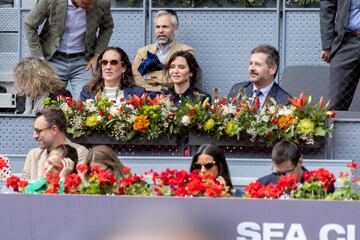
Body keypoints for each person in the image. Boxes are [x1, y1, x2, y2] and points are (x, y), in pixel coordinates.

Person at [24, 0, 114, 100]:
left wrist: (97, 55)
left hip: (83, 62)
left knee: (86, 103)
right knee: (47, 104)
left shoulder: (101, 3)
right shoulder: (50, 1)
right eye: (84, 3)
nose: (90, 6)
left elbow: (107, 27)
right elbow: (29, 24)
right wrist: (39, 59)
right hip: (53, 60)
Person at [132, 9, 194, 94]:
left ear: (175, 29)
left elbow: (179, 78)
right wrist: (160, 88)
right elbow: (136, 78)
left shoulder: (186, 51)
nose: (160, 31)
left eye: (165, 27)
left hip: (175, 99)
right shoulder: (142, 52)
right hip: (145, 100)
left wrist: (148, 76)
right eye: (157, 27)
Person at [22, 107, 89, 180]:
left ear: (54, 129)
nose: (34, 136)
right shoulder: (33, 155)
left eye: (38, 131)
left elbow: (80, 187)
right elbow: (23, 188)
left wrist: (63, 179)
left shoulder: (80, 153)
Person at [320, 1, 360, 110]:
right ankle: (333, 126)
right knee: (336, 103)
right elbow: (327, 8)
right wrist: (327, 46)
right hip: (346, 41)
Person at [79, 47, 146, 102]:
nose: (108, 67)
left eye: (114, 62)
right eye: (104, 62)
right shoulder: (88, 92)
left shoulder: (138, 93)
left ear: (123, 68)